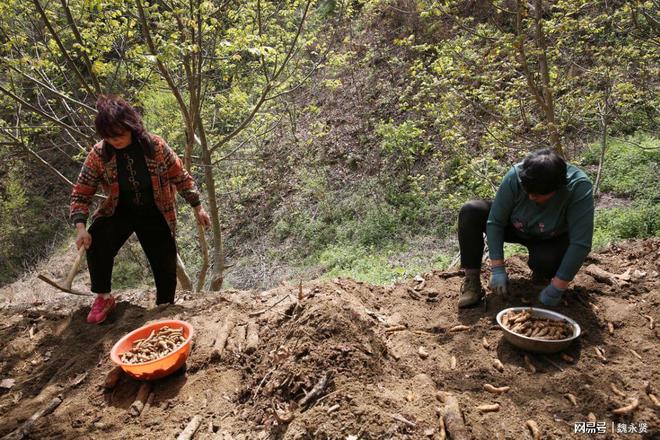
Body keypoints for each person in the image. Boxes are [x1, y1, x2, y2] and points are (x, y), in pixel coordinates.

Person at [70, 95, 211, 324]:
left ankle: (164, 307)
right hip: (119, 210)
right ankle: (104, 297)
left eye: (119, 135)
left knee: (165, 261)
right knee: (96, 240)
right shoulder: (99, 154)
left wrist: (198, 206)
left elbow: (180, 176)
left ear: (132, 127)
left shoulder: (155, 146)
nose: (115, 140)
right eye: (109, 136)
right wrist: (80, 227)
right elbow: (82, 191)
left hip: (155, 210)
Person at [457, 148, 594, 308]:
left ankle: (543, 277)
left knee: (546, 261)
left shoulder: (578, 187)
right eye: (527, 192)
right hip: (515, 225)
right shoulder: (516, 176)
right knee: (471, 211)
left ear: (557, 188)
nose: (530, 197)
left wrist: (558, 287)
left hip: (551, 236)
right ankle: (472, 280)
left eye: (536, 195)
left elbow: (580, 243)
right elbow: (495, 222)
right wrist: (498, 268)